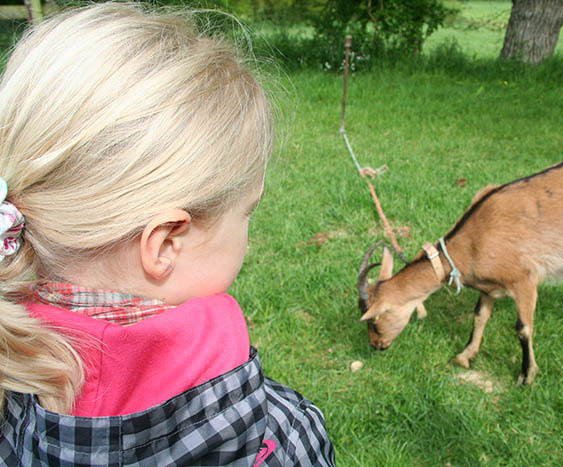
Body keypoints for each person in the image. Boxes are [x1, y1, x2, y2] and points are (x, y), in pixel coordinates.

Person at [0, 3, 334, 465]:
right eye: (246, 213)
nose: (249, 236)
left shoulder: (15, 370)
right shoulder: (273, 438)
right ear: (165, 243)